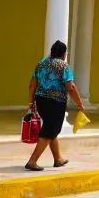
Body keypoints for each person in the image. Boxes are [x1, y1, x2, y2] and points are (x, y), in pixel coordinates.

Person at [25, 40, 85, 172]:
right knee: (49, 130)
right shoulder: (64, 66)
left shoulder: (41, 64)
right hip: (56, 102)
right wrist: (80, 104)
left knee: (50, 127)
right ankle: (32, 161)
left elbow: (32, 85)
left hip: (41, 100)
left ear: (51, 51)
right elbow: (71, 87)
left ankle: (58, 158)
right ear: (64, 54)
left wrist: (31, 103)